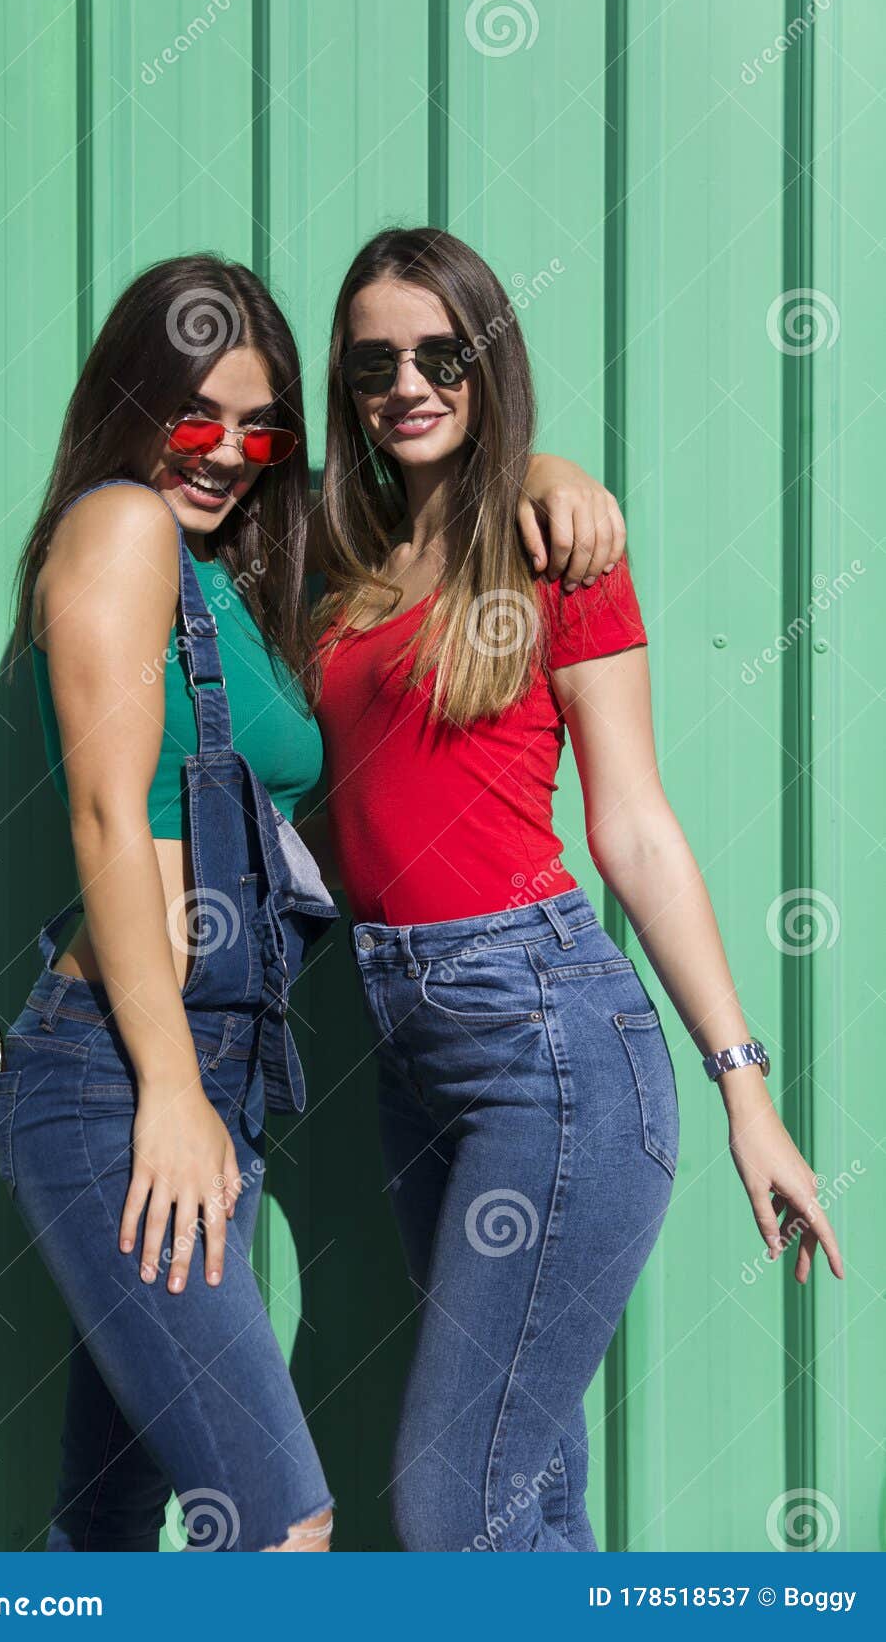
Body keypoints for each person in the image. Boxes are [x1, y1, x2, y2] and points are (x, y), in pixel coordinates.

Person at [0, 252, 617, 1552]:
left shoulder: (229, 568)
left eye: (260, 426)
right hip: (121, 1070)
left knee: (104, 1523)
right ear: (131, 403)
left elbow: (426, 492)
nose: (226, 452)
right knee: (281, 1519)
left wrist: (546, 477)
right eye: (195, 416)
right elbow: (108, 815)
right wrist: (168, 1088)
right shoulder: (124, 525)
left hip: (201, 1070)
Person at [311, 226, 844, 1553]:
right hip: (409, 1050)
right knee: (528, 1485)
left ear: (492, 363)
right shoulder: (343, 576)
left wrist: (746, 1090)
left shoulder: (557, 552)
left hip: (548, 1041)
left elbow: (637, 828)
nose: (410, 383)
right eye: (377, 363)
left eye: (443, 354)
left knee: (452, 1497)